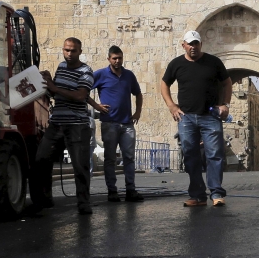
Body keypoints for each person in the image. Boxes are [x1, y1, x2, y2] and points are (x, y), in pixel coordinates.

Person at [160, 30, 232, 208]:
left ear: (201, 44)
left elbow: (227, 82)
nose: (193, 47)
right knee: (191, 156)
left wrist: (225, 104)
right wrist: (171, 105)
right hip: (186, 118)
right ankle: (197, 196)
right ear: (183, 44)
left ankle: (216, 193)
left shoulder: (213, 62)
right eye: (190, 43)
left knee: (215, 155)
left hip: (210, 116)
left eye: (196, 43)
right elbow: (164, 84)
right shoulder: (176, 64)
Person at [32, 37, 97, 214]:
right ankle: (42, 200)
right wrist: (46, 82)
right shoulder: (61, 67)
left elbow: (80, 96)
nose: (69, 53)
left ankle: (84, 203)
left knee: (80, 166)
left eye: (73, 51)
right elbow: (56, 93)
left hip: (77, 125)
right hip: (57, 123)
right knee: (41, 160)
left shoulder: (86, 71)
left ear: (80, 52)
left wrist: (54, 87)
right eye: (66, 50)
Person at [92, 45, 144, 203]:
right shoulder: (100, 74)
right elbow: (84, 90)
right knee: (110, 158)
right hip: (109, 123)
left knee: (129, 157)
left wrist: (138, 112)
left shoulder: (129, 75)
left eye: (119, 58)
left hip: (127, 123)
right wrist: (97, 106)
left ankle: (130, 190)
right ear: (109, 59)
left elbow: (138, 93)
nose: (117, 61)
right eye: (114, 58)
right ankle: (112, 191)